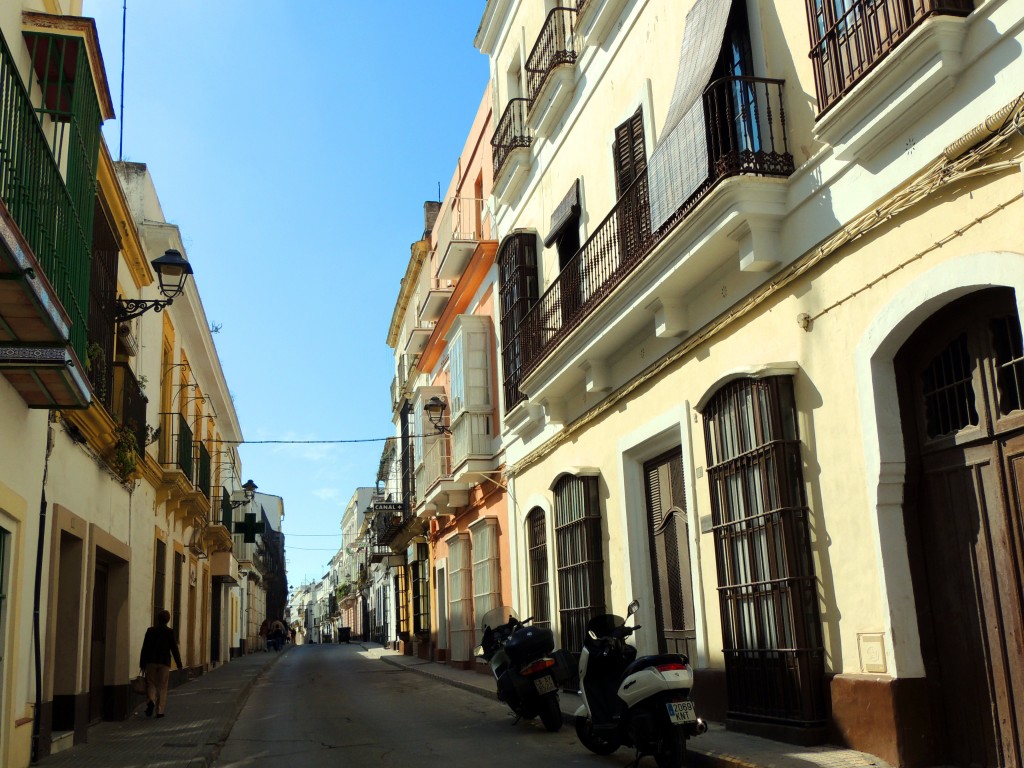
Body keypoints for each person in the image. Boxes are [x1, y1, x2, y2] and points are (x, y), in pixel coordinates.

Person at [139, 609, 183, 718]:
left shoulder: (150, 631)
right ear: (167, 620)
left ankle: (151, 701)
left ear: (157, 619)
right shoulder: (170, 632)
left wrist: (142, 663)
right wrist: (179, 663)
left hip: (151, 662)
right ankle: (159, 711)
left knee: (151, 683)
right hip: (164, 662)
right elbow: (174, 649)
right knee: (162, 686)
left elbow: (144, 648)